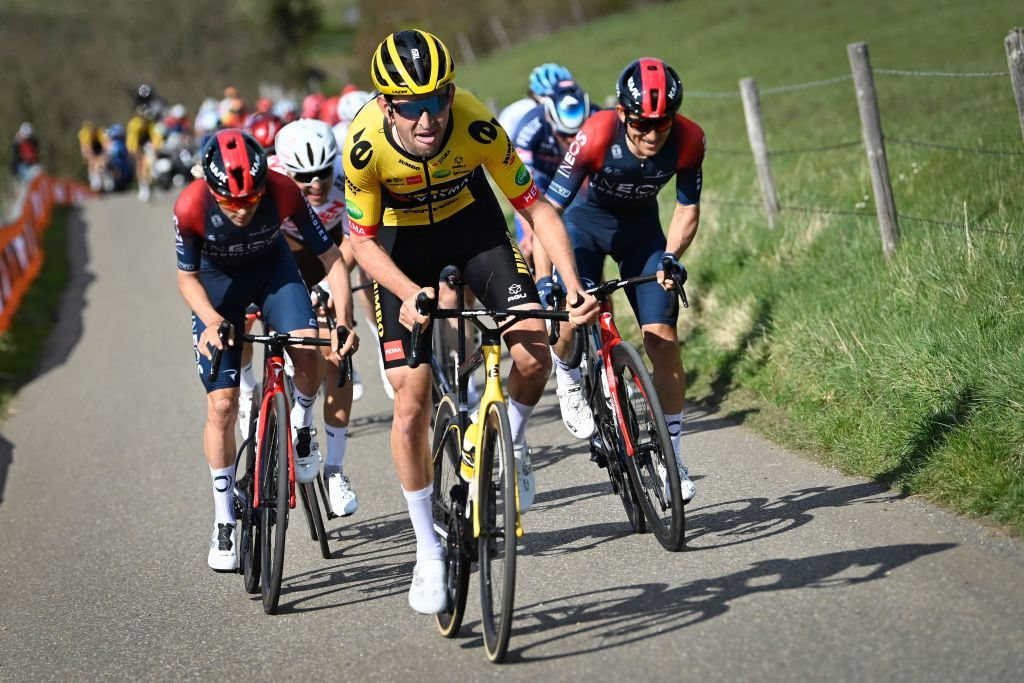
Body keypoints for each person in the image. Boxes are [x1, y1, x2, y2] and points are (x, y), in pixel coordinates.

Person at [343, 29, 597, 615]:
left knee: (534, 351)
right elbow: (360, 243)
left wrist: (575, 285)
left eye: (439, 99)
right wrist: (408, 294)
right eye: (412, 107)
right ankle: (428, 551)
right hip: (398, 246)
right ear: (387, 106)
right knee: (411, 398)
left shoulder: (476, 124)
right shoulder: (364, 146)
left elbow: (534, 206)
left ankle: (509, 437)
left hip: (473, 229)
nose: (429, 118)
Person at [173, 128, 356, 571]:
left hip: (274, 272)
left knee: (309, 348)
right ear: (213, 188)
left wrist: (345, 320)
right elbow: (187, 277)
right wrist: (213, 320)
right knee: (221, 405)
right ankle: (223, 523)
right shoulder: (191, 205)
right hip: (219, 286)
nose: (244, 209)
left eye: (252, 200)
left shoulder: (282, 190)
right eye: (232, 203)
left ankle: (302, 424)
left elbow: (331, 258)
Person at [538, 58, 704, 503]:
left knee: (663, 338)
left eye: (661, 124)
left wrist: (671, 256)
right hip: (583, 229)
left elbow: (687, 207)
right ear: (623, 113)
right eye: (641, 125)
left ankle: (673, 457)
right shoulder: (595, 133)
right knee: (574, 314)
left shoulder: (689, 140)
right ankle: (569, 374)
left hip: (640, 235)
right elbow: (546, 212)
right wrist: (546, 277)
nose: (652, 135)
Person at [261, 118, 363, 516]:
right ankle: (259, 396)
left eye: (323, 173)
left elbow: (354, 240)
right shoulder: (270, 181)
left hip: (331, 259)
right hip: (282, 263)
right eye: (305, 177)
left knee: (338, 357)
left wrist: (332, 291)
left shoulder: (345, 178)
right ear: (286, 168)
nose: (317, 184)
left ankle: (335, 469)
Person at [511, 79, 593, 266]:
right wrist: (528, 230)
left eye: (579, 134)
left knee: (584, 249)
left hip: (571, 178)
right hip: (539, 179)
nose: (573, 142)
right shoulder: (532, 124)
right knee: (531, 247)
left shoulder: (595, 116)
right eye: (565, 135)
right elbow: (517, 183)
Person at [127, 84, 164, 201]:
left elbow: (155, 134)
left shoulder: (153, 107)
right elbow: (132, 139)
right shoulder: (135, 123)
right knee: (139, 162)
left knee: (151, 156)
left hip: (149, 131)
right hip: (137, 133)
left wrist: (157, 145)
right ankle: (143, 186)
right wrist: (134, 149)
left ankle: (152, 176)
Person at [78, 120, 107, 192]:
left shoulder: (101, 131)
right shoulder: (84, 133)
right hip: (89, 147)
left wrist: (104, 155)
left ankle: (102, 179)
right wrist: (88, 157)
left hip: (98, 146)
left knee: (101, 162)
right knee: (91, 163)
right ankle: (94, 182)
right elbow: (85, 147)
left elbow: (105, 144)